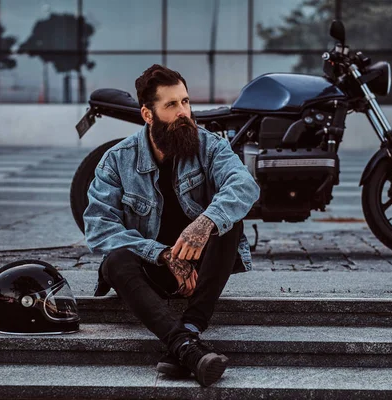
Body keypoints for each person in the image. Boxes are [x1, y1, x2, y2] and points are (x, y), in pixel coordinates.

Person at [83, 64, 260, 387]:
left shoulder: (210, 146)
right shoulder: (116, 160)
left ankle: (189, 329)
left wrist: (205, 222)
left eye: (186, 101)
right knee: (115, 260)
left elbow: (244, 185)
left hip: (200, 268)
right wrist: (163, 254)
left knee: (227, 221)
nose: (184, 113)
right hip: (150, 270)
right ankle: (187, 347)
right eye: (171, 105)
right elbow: (98, 228)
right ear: (148, 114)